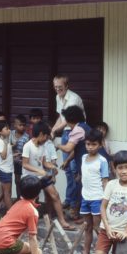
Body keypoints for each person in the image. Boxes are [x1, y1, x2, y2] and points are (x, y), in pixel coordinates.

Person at [22, 121, 75, 230]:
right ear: (41, 134)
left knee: (55, 195)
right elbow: (25, 164)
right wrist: (39, 171)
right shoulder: (28, 146)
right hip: (30, 178)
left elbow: (45, 162)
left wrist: (53, 167)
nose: (47, 139)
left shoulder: (43, 146)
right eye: (46, 136)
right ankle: (30, 222)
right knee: (32, 201)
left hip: (42, 176)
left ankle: (62, 221)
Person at [51, 74, 86, 213]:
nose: (57, 89)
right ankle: (69, 199)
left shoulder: (73, 98)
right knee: (67, 170)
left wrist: (56, 132)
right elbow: (61, 116)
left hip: (75, 131)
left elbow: (68, 119)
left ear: (67, 86)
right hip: (66, 133)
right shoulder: (57, 97)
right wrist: (53, 130)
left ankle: (76, 204)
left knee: (75, 170)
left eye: (60, 87)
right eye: (55, 87)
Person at [57, 105, 90, 220]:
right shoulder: (85, 127)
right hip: (86, 165)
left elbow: (68, 148)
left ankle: (78, 214)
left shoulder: (78, 129)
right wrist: (67, 160)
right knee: (79, 186)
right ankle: (78, 212)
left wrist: (57, 145)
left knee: (81, 188)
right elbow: (77, 148)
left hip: (88, 166)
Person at [80, 129, 109, 254]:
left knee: (98, 228)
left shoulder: (102, 161)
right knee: (87, 227)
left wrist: (105, 200)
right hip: (85, 197)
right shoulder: (83, 158)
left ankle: (104, 252)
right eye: (88, 144)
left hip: (97, 198)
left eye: (93, 144)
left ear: (100, 145)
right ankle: (85, 253)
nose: (90, 147)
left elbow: (105, 181)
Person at [0, 120, 13, 210]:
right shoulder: (1, 142)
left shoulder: (4, 141)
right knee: (7, 193)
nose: (9, 130)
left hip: (5, 169)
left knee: (2, 193)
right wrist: (6, 142)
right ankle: (11, 215)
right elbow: (3, 156)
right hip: (4, 170)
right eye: (6, 129)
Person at [10, 114, 29, 199]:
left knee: (21, 181)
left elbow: (27, 151)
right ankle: (17, 198)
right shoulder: (10, 134)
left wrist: (21, 154)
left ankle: (22, 198)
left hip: (21, 162)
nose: (22, 127)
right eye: (20, 125)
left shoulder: (26, 137)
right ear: (15, 125)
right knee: (14, 181)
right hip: (9, 162)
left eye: (24, 125)